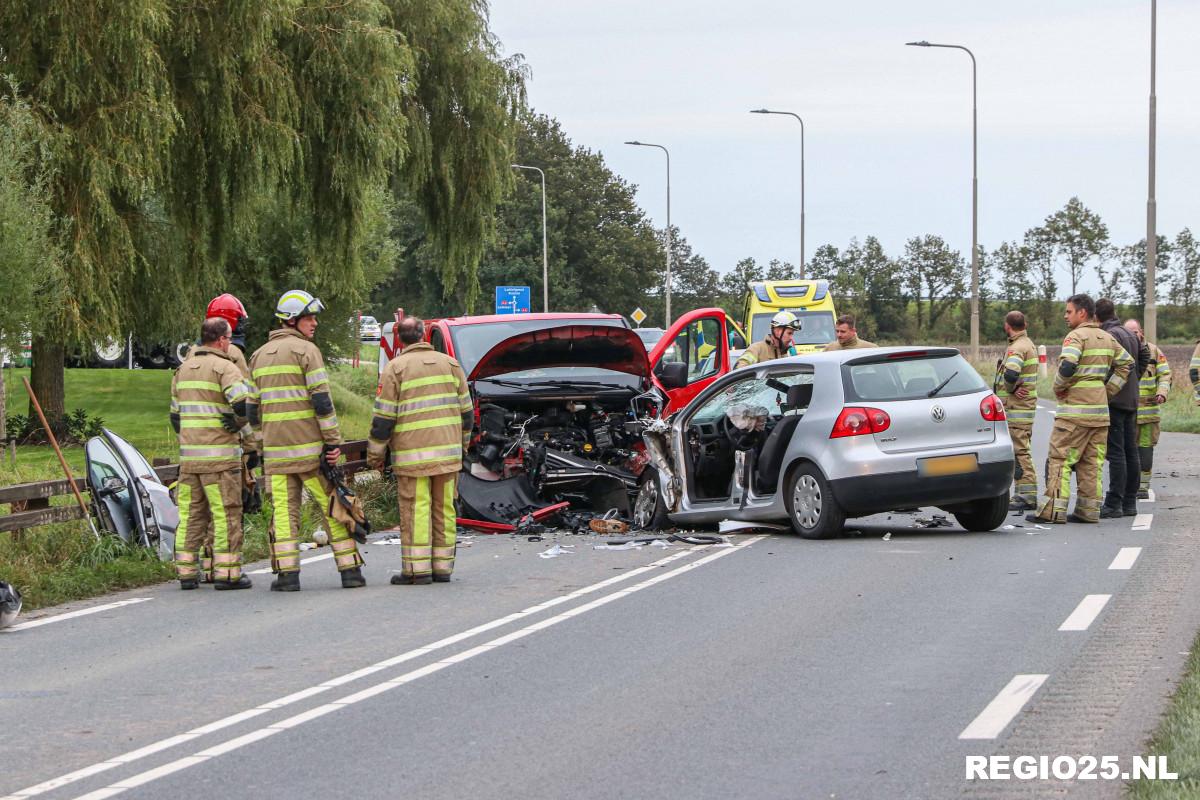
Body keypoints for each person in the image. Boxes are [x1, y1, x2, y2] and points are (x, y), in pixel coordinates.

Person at [247, 290, 365, 591]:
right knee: (331, 507)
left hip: (276, 456)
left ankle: (287, 576)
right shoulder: (306, 351)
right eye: (310, 318)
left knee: (284, 514)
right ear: (292, 320)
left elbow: (252, 411)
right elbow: (322, 401)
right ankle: (350, 570)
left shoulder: (258, 356)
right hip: (311, 454)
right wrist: (332, 441)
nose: (314, 323)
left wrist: (260, 447)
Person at [367, 317, 473, 585]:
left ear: (400, 340)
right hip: (448, 456)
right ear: (424, 334)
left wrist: (375, 456)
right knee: (444, 508)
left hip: (412, 456)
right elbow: (467, 413)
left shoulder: (395, 368)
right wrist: (462, 446)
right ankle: (443, 567)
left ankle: (417, 570)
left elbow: (383, 419)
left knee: (416, 508)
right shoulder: (450, 365)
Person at [1028, 294, 1133, 525]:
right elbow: (1127, 363)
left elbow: (1068, 365)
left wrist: (1058, 388)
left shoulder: (1075, 336)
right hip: (1100, 413)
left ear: (1081, 313)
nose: (1065, 316)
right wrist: (1107, 391)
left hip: (1074, 413)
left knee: (1060, 459)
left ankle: (1053, 511)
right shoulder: (1106, 338)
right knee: (1091, 463)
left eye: (1068, 311)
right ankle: (1088, 511)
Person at [170, 318, 255, 590]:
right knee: (225, 513)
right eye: (229, 338)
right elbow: (244, 406)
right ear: (220, 340)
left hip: (189, 461)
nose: (230, 343)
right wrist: (239, 424)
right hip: (219, 459)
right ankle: (228, 573)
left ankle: (185, 572)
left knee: (191, 515)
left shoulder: (182, 370)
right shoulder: (225, 368)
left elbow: (175, 417)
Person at [199, 293, 260, 582]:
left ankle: (206, 566)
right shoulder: (232, 355)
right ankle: (226, 569)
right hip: (225, 445)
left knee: (205, 510)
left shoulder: (193, 355)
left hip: (196, 446)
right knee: (228, 508)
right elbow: (245, 403)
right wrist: (251, 445)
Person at [1096, 299, 1150, 518]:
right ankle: (1129, 503)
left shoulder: (1109, 336)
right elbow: (1145, 354)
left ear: (1096, 316)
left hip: (1115, 401)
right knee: (1131, 451)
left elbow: (1109, 366)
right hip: (1131, 400)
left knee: (1116, 453)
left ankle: (1114, 503)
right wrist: (1135, 378)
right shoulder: (1127, 332)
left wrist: (1107, 388)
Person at [993, 311, 1039, 510]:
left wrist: (1011, 388)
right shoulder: (1027, 343)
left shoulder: (1017, 347)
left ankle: (1026, 496)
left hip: (1016, 409)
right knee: (1022, 449)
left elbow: (1011, 374)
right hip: (1024, 408)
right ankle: (1024, 493)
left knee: (1020, 451)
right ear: (1025, 323)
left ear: (1007, 326)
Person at [1124, 319, 1171, 499]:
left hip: (1149, 413)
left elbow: (1165, 374)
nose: (1132, 336)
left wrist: (1162, 392)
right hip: (1127, 412)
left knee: (1145, 449)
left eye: (1135, 332)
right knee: (1128, 449)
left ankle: (1143, 486)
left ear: (1141, 332)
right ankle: (1129, 485)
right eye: (1128, 332)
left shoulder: (1153, 351)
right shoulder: (1120, 350)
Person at [736, 311, 801, 368]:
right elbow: (739, 370)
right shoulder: (757, 349)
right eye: (789, 333)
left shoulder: (786, 354)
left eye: (792, 334)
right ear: (778, 331)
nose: (791, 338)